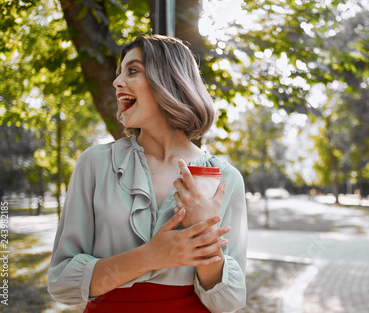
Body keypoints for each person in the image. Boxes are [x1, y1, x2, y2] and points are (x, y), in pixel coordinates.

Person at [47, 35, 247, 312]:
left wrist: (205, 236)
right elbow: (62, 283)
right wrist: (149, 257)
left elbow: (229, 302)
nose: (117, 82)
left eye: (133, 70)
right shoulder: (94, 163)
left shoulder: (226, 178)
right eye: (119, 73)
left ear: (169, 80)